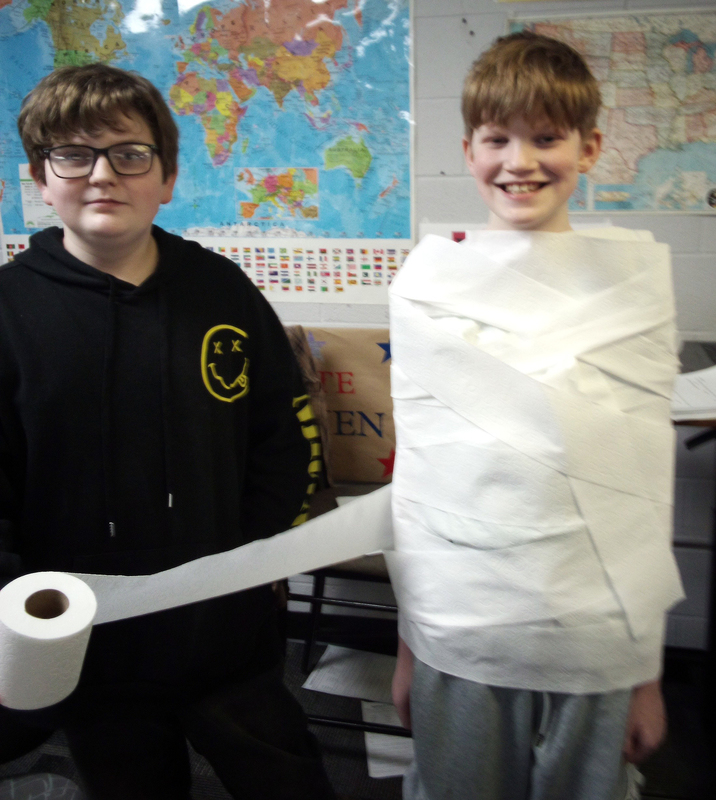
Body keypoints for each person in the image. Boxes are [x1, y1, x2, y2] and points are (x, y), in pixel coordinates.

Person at [0, 64, 334, 800]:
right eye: (72, 155)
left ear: (168, 176)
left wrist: (258, 555)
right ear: (40, 179)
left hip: (227, 631)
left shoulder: (222, 290)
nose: (101, 175)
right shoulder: (9, 311)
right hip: (95, 644)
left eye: (128, 153)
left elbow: (284, 433)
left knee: (290, 782)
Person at [386, 31, 684, 800]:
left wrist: (643, 673)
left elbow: (646, 496)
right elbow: (415, 487)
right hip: (461, 621)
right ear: (469, 148)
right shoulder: (428, 285)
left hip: (590, 630)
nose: (520, 161)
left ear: (590, 148)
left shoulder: (634, 287)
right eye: (498, 139)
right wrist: (410, 648)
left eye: (546, 138)